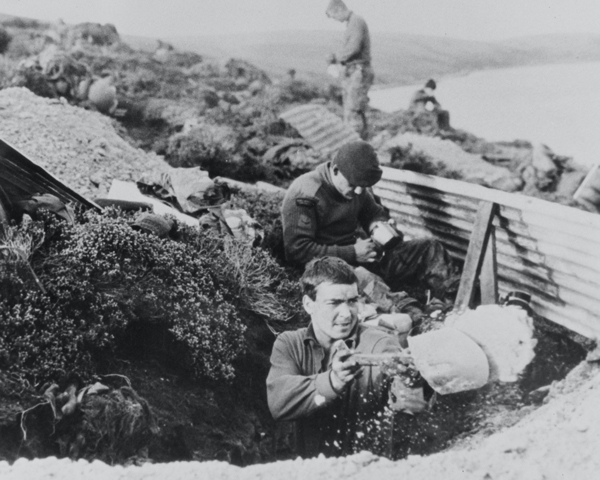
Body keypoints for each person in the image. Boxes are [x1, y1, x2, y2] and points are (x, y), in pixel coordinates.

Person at [266, 256, 428, 458]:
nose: (346, 314)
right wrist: (333, 382)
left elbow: (412, 408)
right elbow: (278, 403)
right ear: (309, 304)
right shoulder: (290, 344)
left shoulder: (379, 343)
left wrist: (410, 381)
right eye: (334, 303)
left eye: (352, 301)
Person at [281, 140, 456, 304]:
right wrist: (352, 253)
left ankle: (455, 303)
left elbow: (374, 212)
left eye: (362, 186)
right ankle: (413, 316)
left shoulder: (357, 187)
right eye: (353, 184)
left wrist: (378, 228)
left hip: (363, 257)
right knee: (365, 279)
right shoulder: (306, 193)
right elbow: (297, 250)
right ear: (335, 170)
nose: (358, 191)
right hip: (327, 269)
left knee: (429, 248)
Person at [326, 0, 374, 140]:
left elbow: (354, 48)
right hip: (355, 71)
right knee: (356, 109)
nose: (335, 20)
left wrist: (337, 58)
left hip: (358, 71)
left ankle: (356, 147)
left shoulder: (356, 22)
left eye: (334, 16)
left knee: (353, 110)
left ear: (338, 10)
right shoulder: (352, 22)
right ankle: (362, 144)